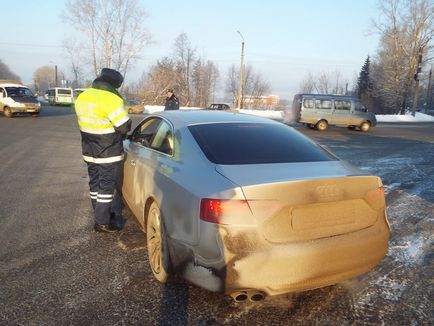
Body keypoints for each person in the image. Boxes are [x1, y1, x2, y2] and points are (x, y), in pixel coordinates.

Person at [74, 68, 131, 233]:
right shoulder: (111, 99)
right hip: (107, 151)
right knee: (106, 187)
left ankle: (98, 213)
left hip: (88, 148)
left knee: (94, 183)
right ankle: (102, 222)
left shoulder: (83, 96)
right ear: (114, 84)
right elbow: (123, 126)